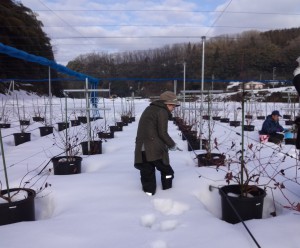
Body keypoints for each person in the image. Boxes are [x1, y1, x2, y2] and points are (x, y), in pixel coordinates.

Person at [134, 91, 180, 196]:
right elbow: (163, 133)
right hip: (154, 149)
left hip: (141, 149)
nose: (174, 108)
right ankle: (168, 192)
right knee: (167, 172)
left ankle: (148, 195)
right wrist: (172, 145)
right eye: (173, 106)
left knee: (147, 173)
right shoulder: (162, 111)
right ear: (168, 104)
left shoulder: (149, 109)